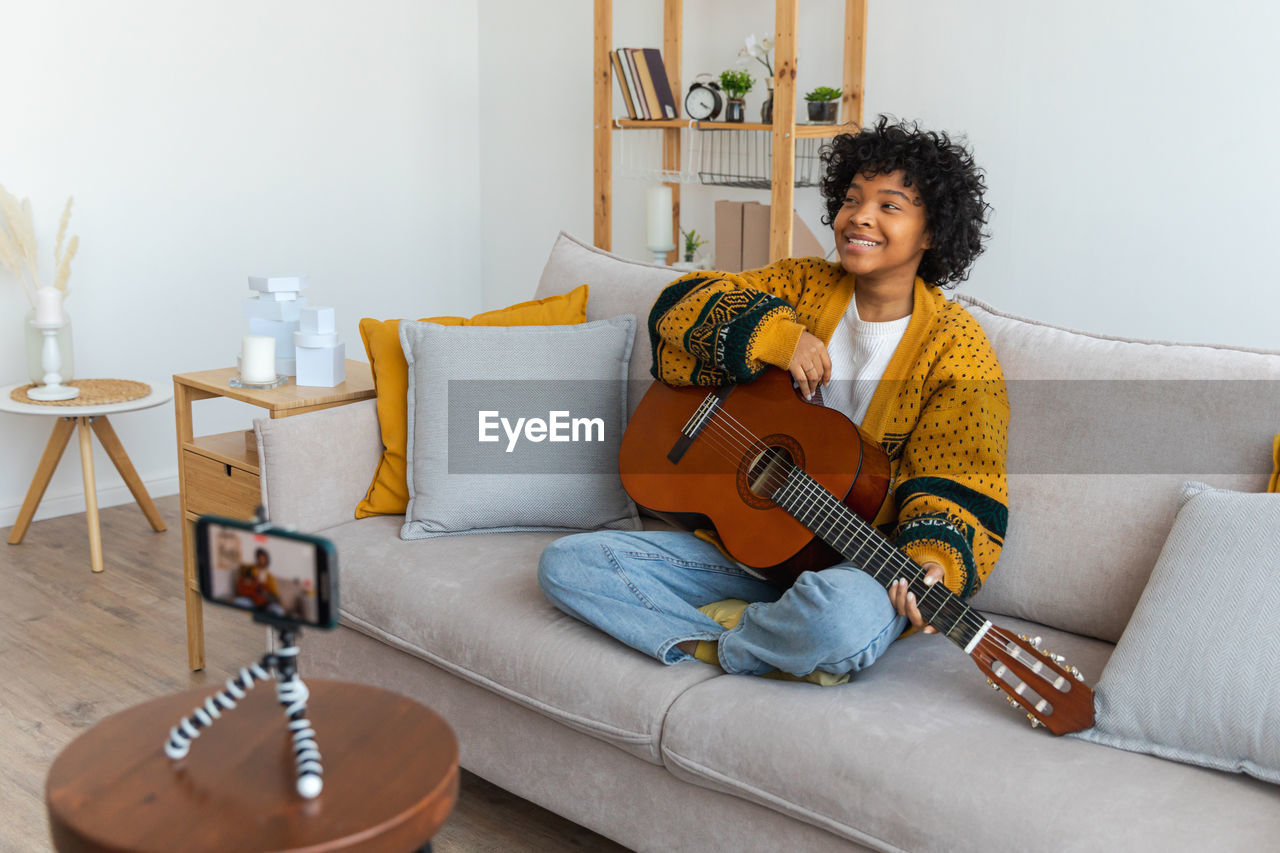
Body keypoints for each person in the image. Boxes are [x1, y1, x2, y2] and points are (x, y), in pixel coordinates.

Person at [538, 116, 1009, 683]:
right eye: (853, 199)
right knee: (569, 565)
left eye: (890, 206)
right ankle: (772, 639)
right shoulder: (805, 284)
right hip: (742, 551)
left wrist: (936, 559)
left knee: (838, 621)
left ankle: (727, 645)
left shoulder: (957, 350)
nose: (860, 216)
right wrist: (774, 337)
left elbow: (962, 475)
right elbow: (678, 308)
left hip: (849, 565)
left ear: (933, 232)